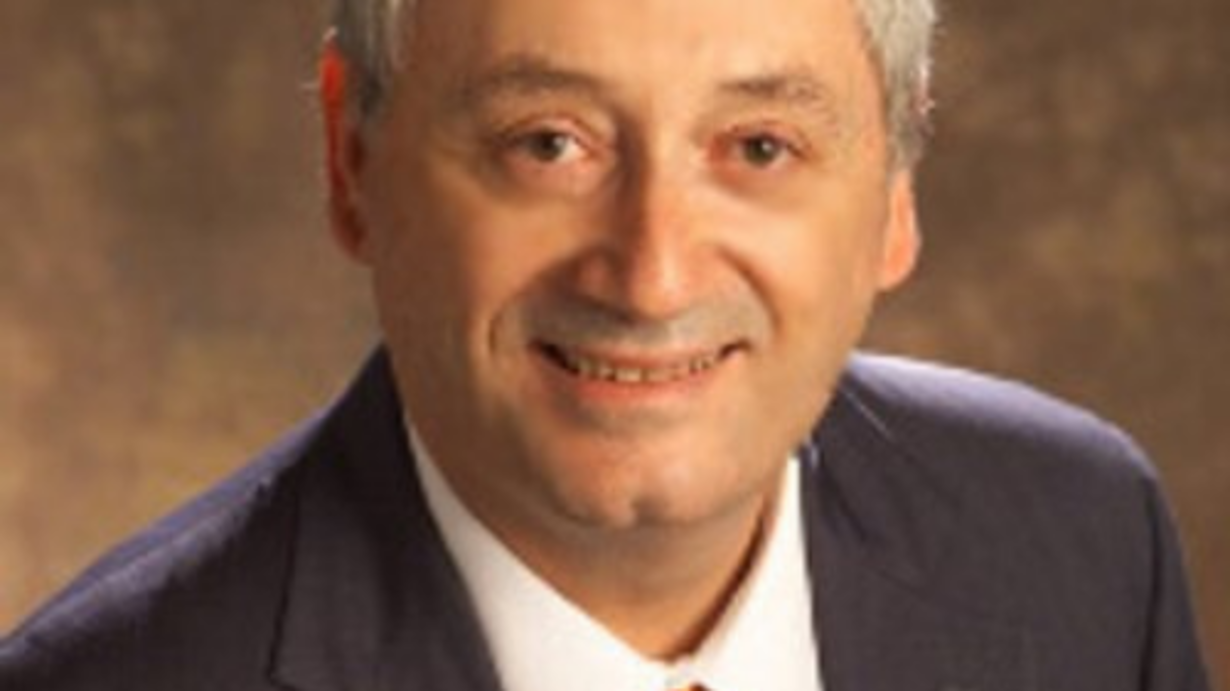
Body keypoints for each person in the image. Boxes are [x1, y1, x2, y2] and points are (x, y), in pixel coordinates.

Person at [0, 0, 1210, 688]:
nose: (651, 274)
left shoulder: (1081, 545)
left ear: (895, 187)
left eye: (760, 147)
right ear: (352, 161)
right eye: (548, 144)